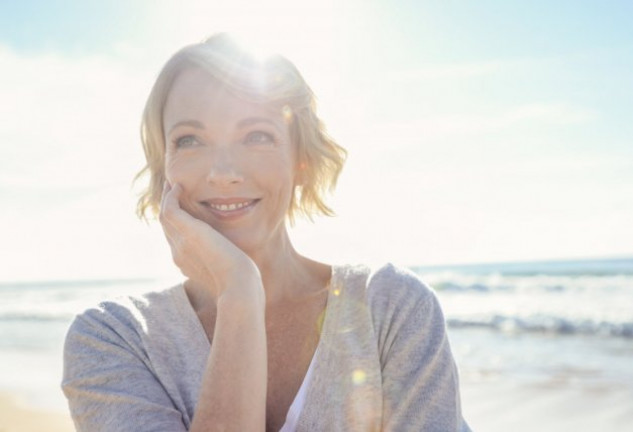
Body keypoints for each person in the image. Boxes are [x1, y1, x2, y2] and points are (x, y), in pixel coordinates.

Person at [62, 33, 471, 432]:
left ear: (301, 160)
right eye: (189, 140)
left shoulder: (391, 307)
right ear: (163, 166)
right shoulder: (112, 338)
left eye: (256, 136)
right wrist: (239, 293)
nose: (223, 173)